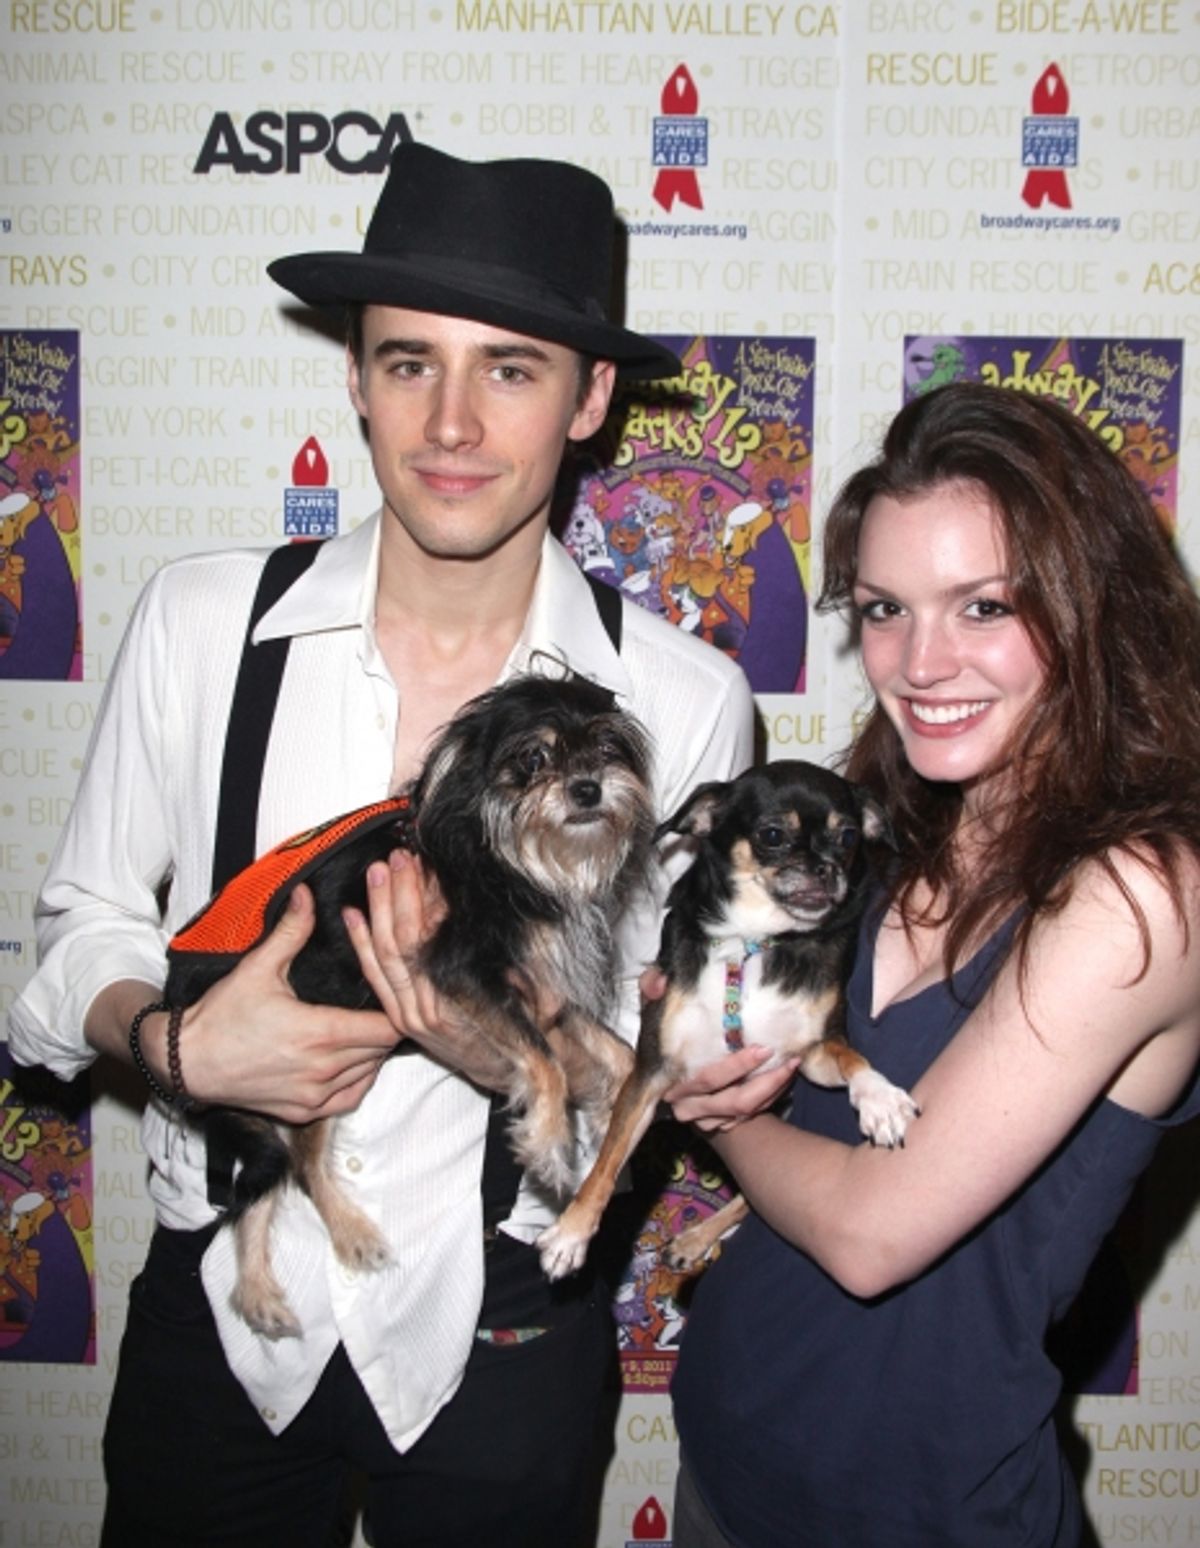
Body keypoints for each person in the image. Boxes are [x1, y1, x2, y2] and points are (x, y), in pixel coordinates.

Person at [6, 143, 755, 1548]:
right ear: (353, 376)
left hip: (512, 1326)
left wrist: (510, 1061)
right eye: (410, 362)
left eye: (513, 369)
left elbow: (673, 1058)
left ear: (593, 399)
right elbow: (83, 931)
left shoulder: (683, 702)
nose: (453, 422)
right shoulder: (200, 623)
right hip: (228, 1294)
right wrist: (177, 1046)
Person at [663, 382, 1200, 1547]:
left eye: (985, 606)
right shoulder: (886, 824)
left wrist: (709, 1106)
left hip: (919, 1514)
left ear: (1093, 604)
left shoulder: (1144, 891)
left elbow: (871, 1235)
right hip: (726, 1461)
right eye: (887, 609)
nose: (920, 662)